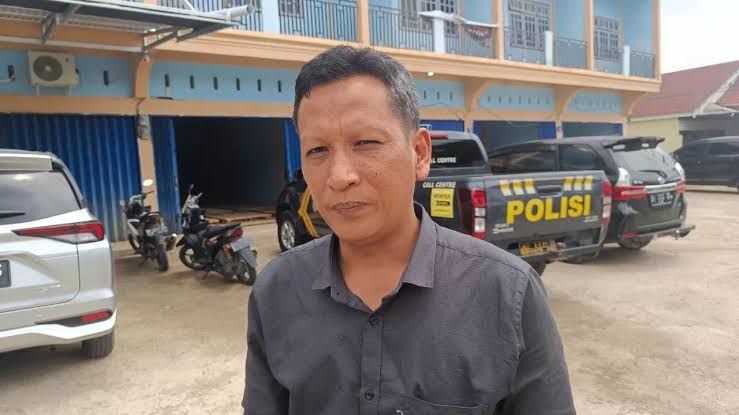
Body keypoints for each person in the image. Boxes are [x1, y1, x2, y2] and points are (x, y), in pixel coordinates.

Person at [243, 45, 576, 415]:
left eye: (365, 143)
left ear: (419, 153)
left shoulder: (508, 293)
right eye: (318, 150)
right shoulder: (277, 291)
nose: (339, 176)